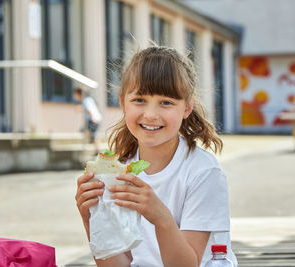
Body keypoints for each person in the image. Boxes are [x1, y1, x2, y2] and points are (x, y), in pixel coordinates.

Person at [75, 46, 237, 267]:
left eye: (166, 102)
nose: (151, 115)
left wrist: (160, 216)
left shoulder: (203, 173)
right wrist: (91, 218)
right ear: (123, 101)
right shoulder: (121, 171)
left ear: (186, 108)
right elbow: (119, 264)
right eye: (139, 100)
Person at [74, 87, 102, 155]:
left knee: (94, 134)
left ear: (79, 94)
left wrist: (93, 118)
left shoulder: (85, 100)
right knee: (88, 131)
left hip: (93, 119)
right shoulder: (89, 99)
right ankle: (92, 143)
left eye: (75, 94)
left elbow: (90, 109)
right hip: (94, 119)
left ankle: (97, 150)